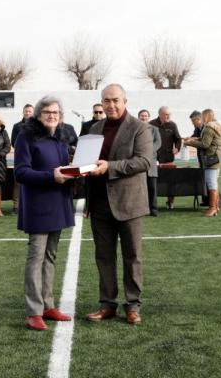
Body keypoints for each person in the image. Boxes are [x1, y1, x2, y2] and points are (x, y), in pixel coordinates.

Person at [85, 83, 153, 326]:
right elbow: (89, 161)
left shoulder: (140, 128)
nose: (111, 105)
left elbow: (144, 161)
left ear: (125, 101)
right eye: (106, 100)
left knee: (132, 256)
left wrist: (109, 167)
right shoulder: (95, 127)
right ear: (101, 103)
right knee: (103, 257)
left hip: (129, 203)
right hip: (100, 202)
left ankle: (133, 305)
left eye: (115, 100)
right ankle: (107, 304)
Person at [13, 95, 76, 331]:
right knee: (36, 258)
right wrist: (52, 176)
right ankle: (33, 311)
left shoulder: (61, 138)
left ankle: (48, 305)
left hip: (58, 203)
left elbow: (63, 169)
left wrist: (77, 170)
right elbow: (21, 173)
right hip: (38, 206)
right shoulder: (26, 136)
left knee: (50, 257)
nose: (52, 116)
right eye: (48, 112)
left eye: (56, 113)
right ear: (39, 115)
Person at [183, 109, 221, 218]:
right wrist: (195, 139)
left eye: (202, 116)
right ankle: (216, 206)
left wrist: (190, 143)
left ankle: (213, 207)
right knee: (213, 182)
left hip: (211, 158)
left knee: (211, 183)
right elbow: (206, 139)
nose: (201, 118)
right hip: (215, 157)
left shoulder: (209, 128)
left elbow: (205, 144)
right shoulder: (213, 126)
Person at [150, 106, 182, 210]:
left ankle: (170, 202)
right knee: (152, 182)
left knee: (170, 181)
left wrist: (177, 148)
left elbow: (178, 139)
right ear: (160, 114)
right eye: (166, 114)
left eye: (169, 114)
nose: (168, 116)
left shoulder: (172, 125)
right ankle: (151, 204)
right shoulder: (151, 124)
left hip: (168, 158)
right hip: (154, 159)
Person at [10, 104, 35, 213]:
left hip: (35, 157)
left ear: (33, 113)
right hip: (21, 157)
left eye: (30, 111)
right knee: (18, 181)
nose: (28, 113)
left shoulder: (38, 125)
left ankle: (32, 204)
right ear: (23, 112)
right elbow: (13, 142)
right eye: (26, 111)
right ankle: (17, 206)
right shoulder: (17, 126)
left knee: (34, 180)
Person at [138, 109, 161, 217]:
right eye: (142, 116)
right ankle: (142, 210)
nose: (144, 117)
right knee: (140, 189)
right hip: (138, 163)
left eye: (145, 116)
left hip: (151, 163)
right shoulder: (135, 129)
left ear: (148, 117)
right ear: (139, 117)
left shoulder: (154, 129)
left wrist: (148, 151)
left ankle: (154, 209)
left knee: (152, 187)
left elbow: (158, 143)